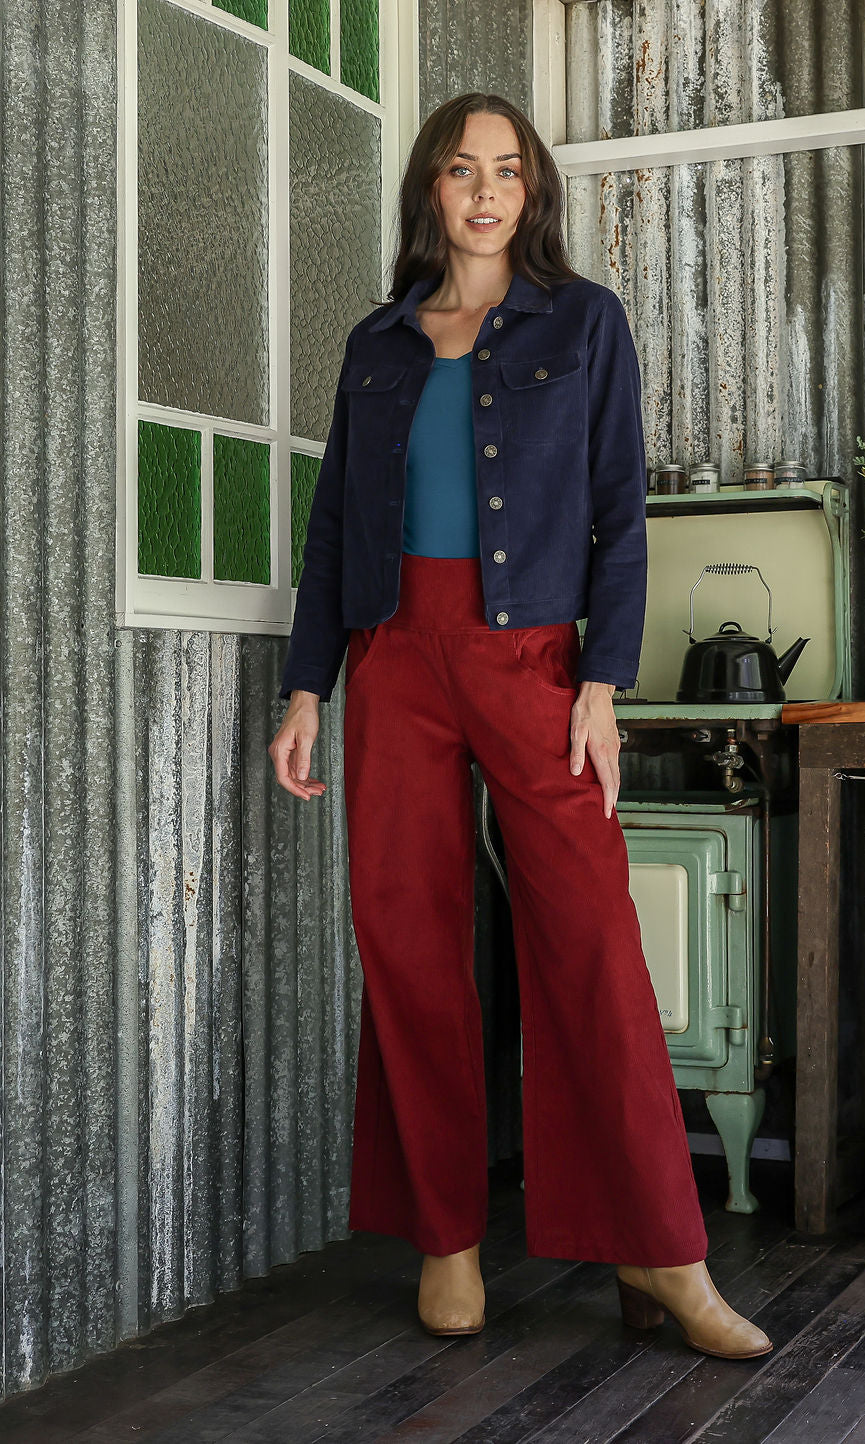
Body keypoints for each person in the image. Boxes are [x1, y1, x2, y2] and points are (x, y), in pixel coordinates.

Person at [268, 91, 772, 1360]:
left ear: (531, 190)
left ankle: (661, 1249)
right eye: (460, 170)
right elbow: (334, 530)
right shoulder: (377, 344)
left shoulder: (583, 322)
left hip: (536, 661)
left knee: (591, 937)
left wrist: (603, 684)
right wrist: (306, 688)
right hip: (393, 657)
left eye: (506, 170)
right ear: (431, 192)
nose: (485, 191)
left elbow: (621, 509)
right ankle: (447, 1237)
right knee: (405, 932)